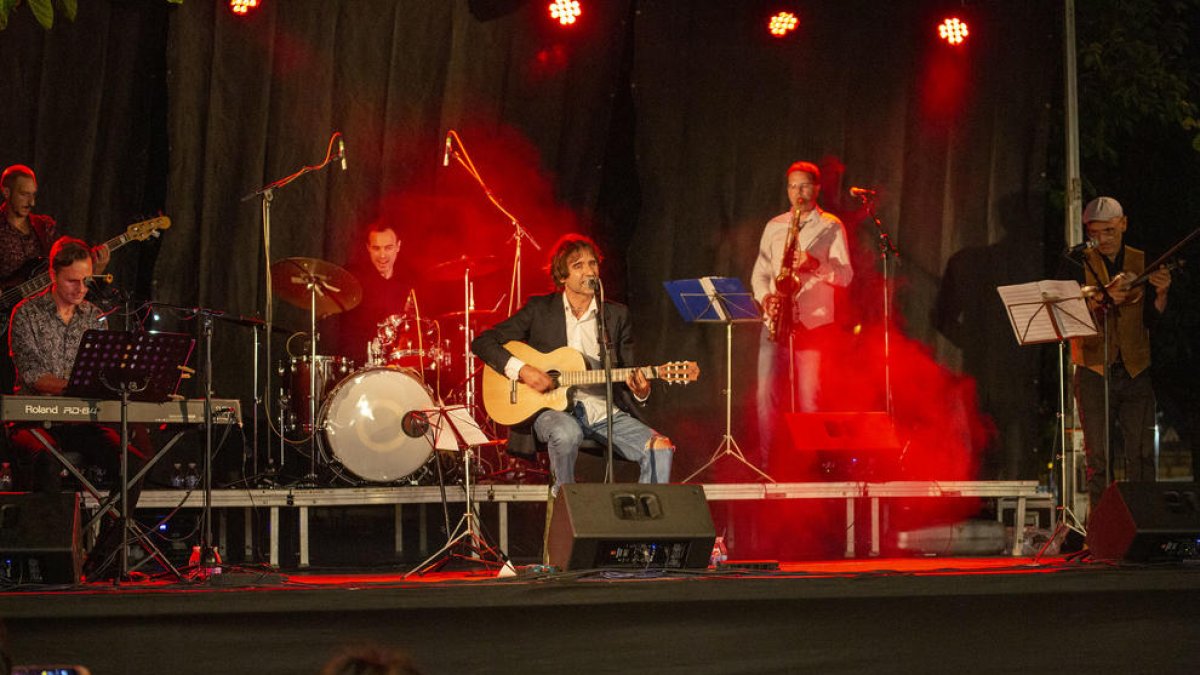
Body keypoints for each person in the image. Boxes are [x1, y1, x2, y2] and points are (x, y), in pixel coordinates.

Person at [471, 234, 673, 490]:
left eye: (593, 264)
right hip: (549, 411)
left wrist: (641, 391)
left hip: (601, 411)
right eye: (578, 265)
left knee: (661, 448)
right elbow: (483, 342)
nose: (589, 271)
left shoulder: (615, 315)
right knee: (568, 433)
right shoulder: (540, 309)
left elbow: (626, 370)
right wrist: (523, 370)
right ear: (562, 275)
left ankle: (648, 527)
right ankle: (564, 512)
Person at [5, 236, 144, 579]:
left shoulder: (95, 318)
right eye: (73, 280)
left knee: (134, 465)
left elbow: (103, 374)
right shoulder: (26, 314)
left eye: (87, 280)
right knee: (47, 461)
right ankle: (56, 568)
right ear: (53, 275)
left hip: (80, 422)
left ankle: (102, 561)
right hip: (33, 421)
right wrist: (78, 384)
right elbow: (35, 376)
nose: (81, 288)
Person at [1070, 197, 1170, 513]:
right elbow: (1067, 311)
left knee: (1141, 454)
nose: (1105, 239)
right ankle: (1101, 530)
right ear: (1087, 230)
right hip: (1093, 368)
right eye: (1097, 233)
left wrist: (1163, 294)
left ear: (1124, 224)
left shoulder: (1144, 260)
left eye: (1111, 231)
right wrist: (1101, 299)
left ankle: (1146, 523)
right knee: (1098, 458)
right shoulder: (1077, 262)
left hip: (1136, 368)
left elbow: (1153, 322)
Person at [750, 161, 853, 472]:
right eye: (793, 186)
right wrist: (766, 297)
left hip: (813, 324)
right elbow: (760, 274)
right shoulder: (774, 226)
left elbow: (846, 276)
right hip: (776, 322)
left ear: (817, 188)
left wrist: (813, 265)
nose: (798, 192)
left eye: (805, 186)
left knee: (810, 401)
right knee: (764, 398)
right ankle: (768, 467)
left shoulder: (831, 226)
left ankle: (811, 469)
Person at [0, 165, 109, 393]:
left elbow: (62, 260)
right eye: (24, 193)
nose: (31, 201)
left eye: (34, 194)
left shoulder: (43, 227)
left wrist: (90, 267)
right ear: (6, 192)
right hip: (15, 316)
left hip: (44, 306)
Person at [330, 221, 413, 365]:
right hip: (357, 366)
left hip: (396, 367)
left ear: (398, 246)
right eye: (376, 248)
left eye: (388, 248)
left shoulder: (406, 284)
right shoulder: (352, 279)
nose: (382, 255)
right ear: (368, 248)